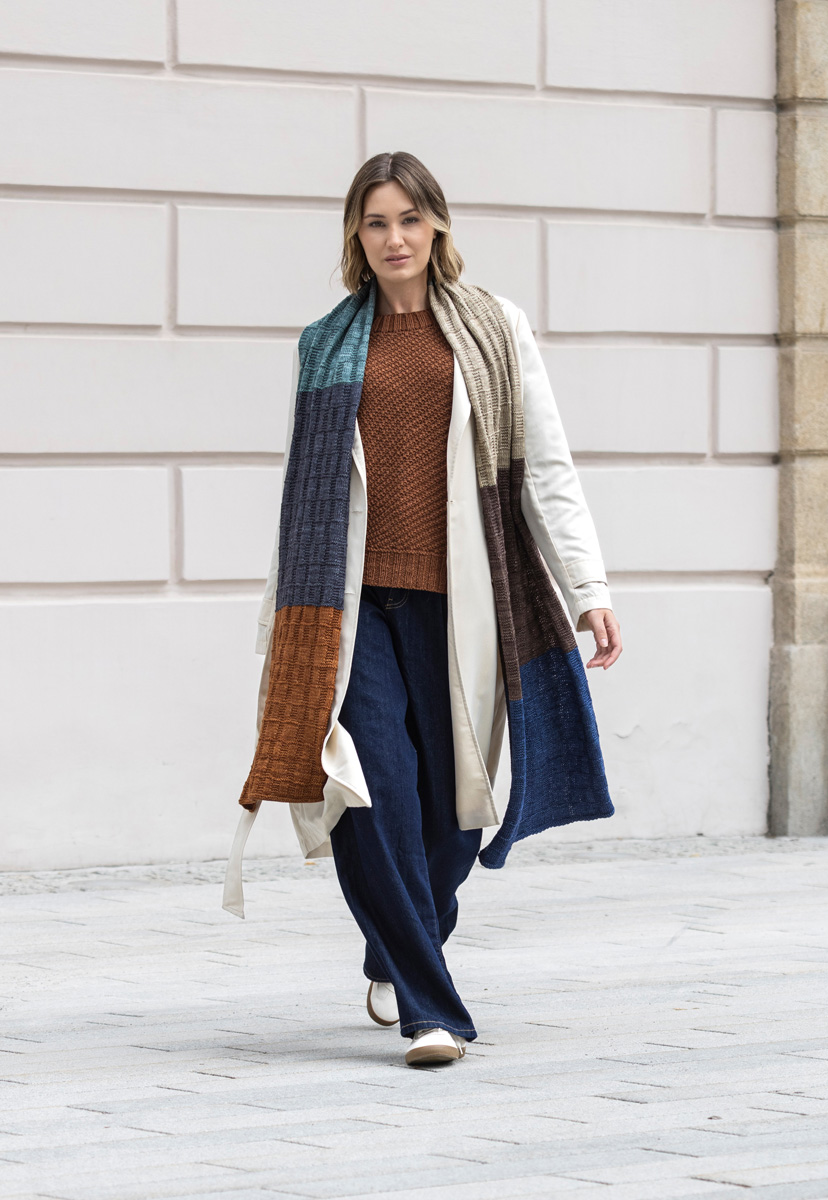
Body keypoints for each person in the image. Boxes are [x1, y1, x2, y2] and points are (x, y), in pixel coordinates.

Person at [223, 151, 622, 1068]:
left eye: (408, 218)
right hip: (352, 607)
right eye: (375, 222)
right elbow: (306, 494)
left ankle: (392, 946)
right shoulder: (326, 343)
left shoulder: (492, 328)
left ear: (436, 224)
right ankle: (430, 1012)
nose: (393, 238)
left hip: (462, 607)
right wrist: (284, 620)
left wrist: (587, 589)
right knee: (371, 791)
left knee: (453, 815)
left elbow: (544, 469)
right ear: (355, 236)